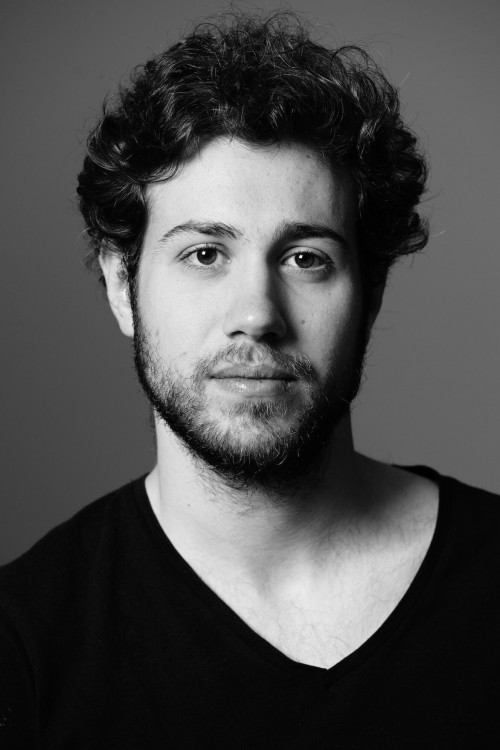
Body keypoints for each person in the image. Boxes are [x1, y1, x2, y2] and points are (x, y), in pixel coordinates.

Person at [1, 11, 499, 749]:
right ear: (121, 288)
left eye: (306, 259)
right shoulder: (24, 646)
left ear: (372, 294)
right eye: (204, 254)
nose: (257, 315)